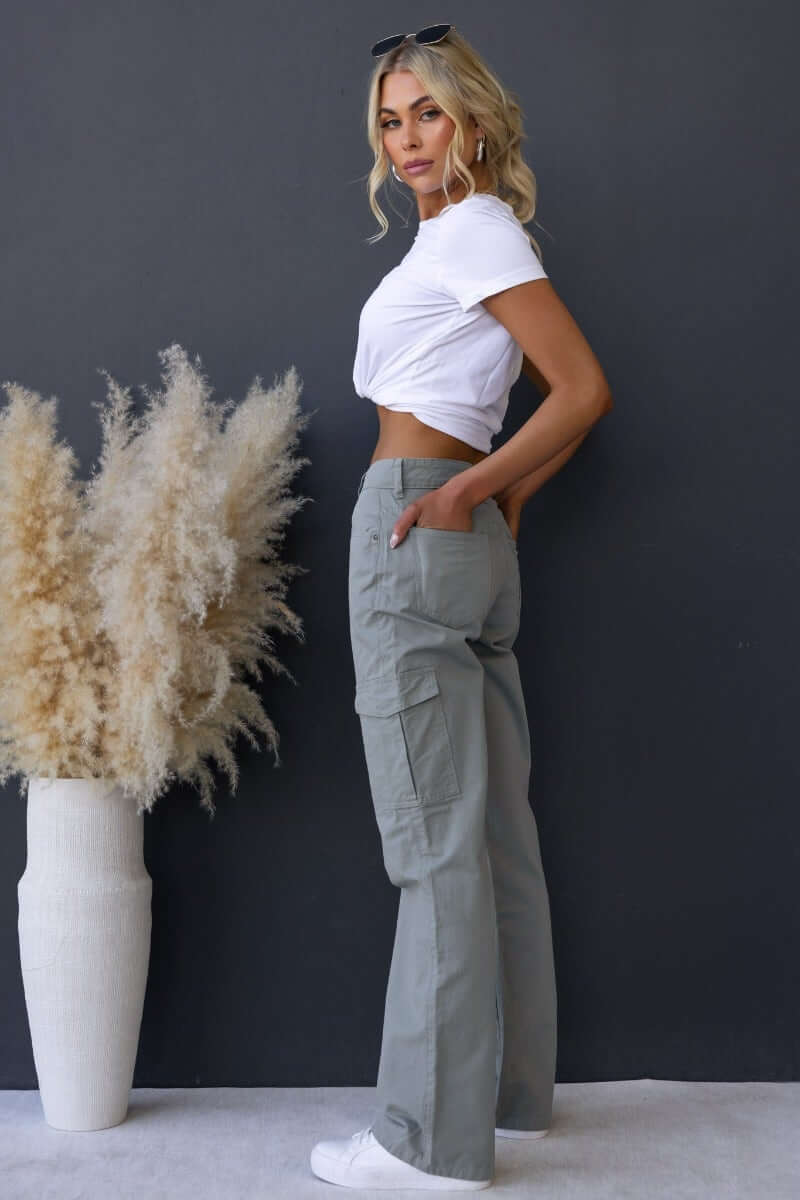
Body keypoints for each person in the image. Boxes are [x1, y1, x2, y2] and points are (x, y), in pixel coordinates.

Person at [310, 23, 613, 1192]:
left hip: (415, 520)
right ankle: (505, 1101)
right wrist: (496, 500)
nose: (406, 139)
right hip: (457, 534)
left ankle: (426, 1147)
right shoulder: (467, 238)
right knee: (491, 839)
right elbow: (543, 401)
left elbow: (581, 388)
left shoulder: (475, 230)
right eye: (390, 121)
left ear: (473, 121)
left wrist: (475, 492)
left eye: (425, 114)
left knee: (431, 846)